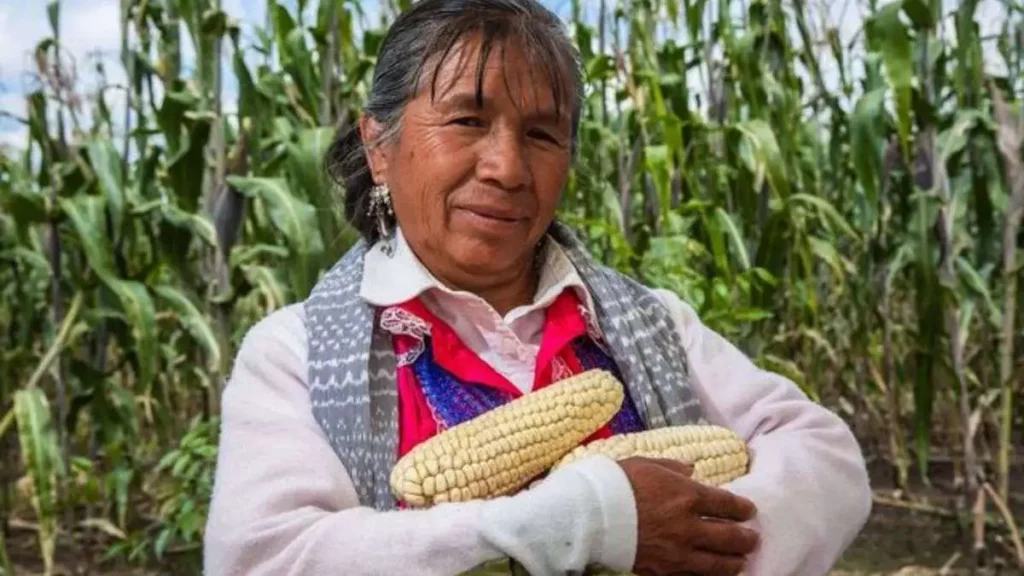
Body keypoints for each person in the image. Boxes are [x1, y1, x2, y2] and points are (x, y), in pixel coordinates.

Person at [203, 0, 872, 574]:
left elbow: (825, 456)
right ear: (379, 146)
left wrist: (709, 544)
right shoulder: (296, 353)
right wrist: (587, 522)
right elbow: (265, 557)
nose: (507, 167)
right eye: (467, 120)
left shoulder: (647, 321)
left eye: (543, 134)